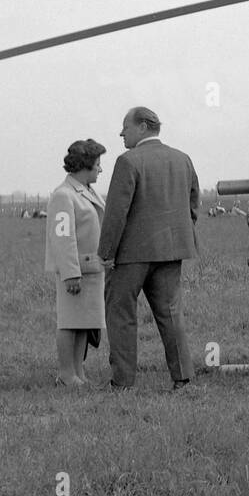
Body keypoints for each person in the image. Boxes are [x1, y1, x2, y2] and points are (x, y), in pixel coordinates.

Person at [98, 107, 200, 390]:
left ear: (142, 127)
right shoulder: (183, 159)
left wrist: (106, 252)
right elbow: (193, 205)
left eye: (125, 127)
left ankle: (122, 382)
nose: (121, 133)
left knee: (121, 315)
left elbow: (116, 213)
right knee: (171, 314)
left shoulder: (127, 161)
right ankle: (183, 378)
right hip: (171, 251)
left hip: (131, 255)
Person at [45, 139, 107, 387]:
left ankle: (78, 372)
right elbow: (62, 237)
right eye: (98, 164)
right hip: (76, 271)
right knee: (70, 323)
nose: (100, 170)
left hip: (91, 268)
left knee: (84, 323)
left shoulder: (86, 191)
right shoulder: (63, 195)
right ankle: (66, 373)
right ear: (86, 165)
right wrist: (70, 273)